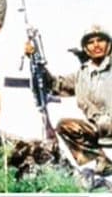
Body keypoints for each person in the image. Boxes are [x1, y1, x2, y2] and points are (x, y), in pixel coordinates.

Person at [25, 25, 112, 177]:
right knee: (66, 126)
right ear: (86, 48)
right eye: (91, 42)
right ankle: (102, 162)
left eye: (100, 40)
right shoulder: (82, 74)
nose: (96, 45)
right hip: (99, 127)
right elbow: (55, 85)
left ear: (109, 44)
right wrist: (36, 59)